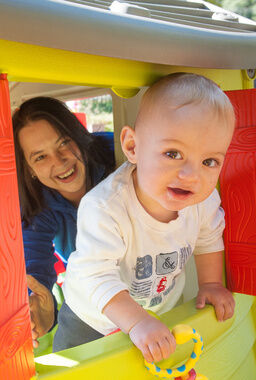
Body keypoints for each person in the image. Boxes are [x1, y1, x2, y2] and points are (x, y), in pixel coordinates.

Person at [54, 73, 236, 362]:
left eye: (209, 161)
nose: (191, 175)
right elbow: (95, 274)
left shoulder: (204, 199)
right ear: (133, 147)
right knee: (75, 369)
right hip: (91, 317)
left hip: (155, 310)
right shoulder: (106, 207)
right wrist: (136, 321)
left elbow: (208, 237)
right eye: (173, 153)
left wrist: (211, 283)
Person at [12, 96, 115, 348]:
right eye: (40, 157)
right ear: (29, 169)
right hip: (93, 290)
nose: (59, 161)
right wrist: (41, 305)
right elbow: (35, 267)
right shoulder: (36, 208)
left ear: (78, 137)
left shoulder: (120, 152)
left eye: (64, 143)